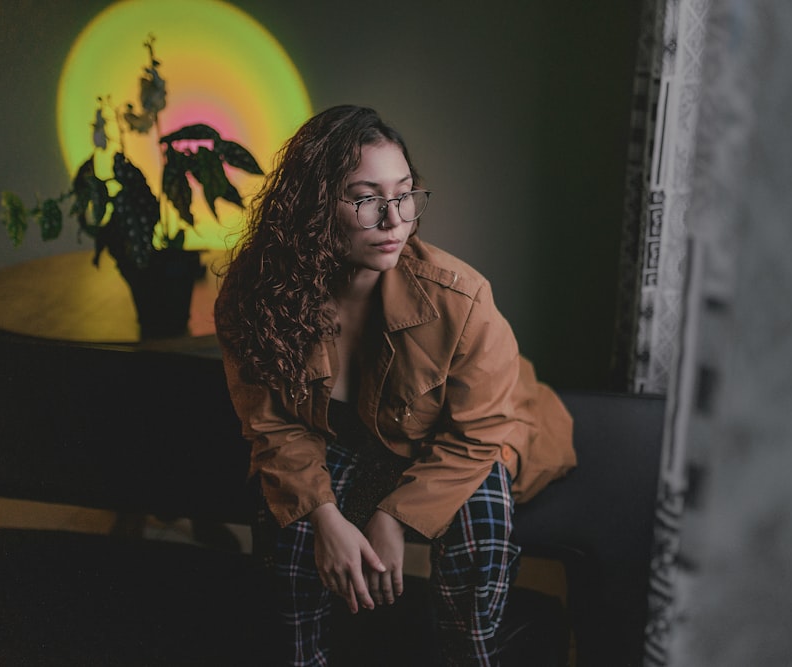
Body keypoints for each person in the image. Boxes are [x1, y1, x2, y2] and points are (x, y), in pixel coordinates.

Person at [214, 105, 576, 666]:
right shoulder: (254, 295)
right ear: (313, 205)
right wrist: (325, 518)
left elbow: (479, 434)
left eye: (405, 193)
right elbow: (272, 425)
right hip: (335, 441)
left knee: (484, 531)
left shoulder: (462, 298)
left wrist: (395, 517)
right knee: (288, 537)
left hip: (446, 441)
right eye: (365, 197)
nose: (394, 220)